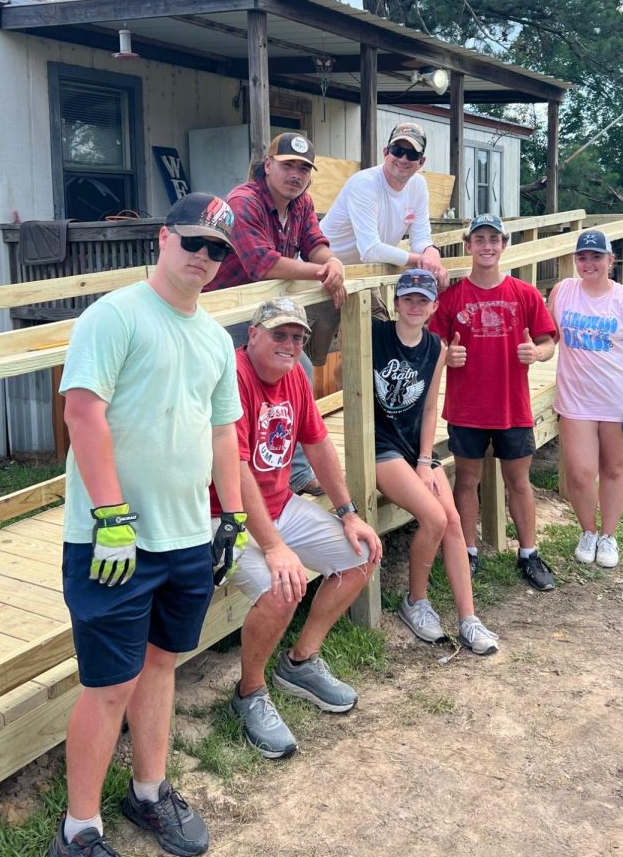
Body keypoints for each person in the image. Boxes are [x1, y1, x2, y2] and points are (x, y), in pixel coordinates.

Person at [49, 192, 246, 857]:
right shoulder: (117, 315)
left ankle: (148, 791)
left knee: (162, 663)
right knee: (108, 684)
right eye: (193, 240)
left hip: (187, 535)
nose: (203, 256)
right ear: (163, 239)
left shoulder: (216, 339)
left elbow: (224, 431)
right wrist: (109, 516)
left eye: (217, 249)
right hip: (112, 542)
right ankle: (78, 832)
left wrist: (229, 518)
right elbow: (82, 413)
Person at [215, 297, 383, 760]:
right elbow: (237, 467)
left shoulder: (294, 375)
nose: (289, 345)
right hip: (224, 515)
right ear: (252, 334)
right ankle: (250, 693)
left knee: (364, 552)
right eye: (279, 334)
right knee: (282, 587)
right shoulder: (234, 374)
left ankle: (300, 661)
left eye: (297, 337)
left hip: (279, 502)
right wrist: (273, 546)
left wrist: (349, 511)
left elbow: (319, 443)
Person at [206, 131, 345, 495]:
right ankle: (224, 480)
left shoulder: (302, 203)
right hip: (226, 313)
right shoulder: (243, 200)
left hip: (266, 312)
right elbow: (261, 264)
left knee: (294, 373)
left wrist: (332, 263)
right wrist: (321, 272)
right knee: (233, 394)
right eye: (287, 166)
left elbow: (315, 244)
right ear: (268, 166)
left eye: (303, 168)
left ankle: (293, 473)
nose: (295, 175)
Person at [372, 269, 499, 655]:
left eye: (422, 300)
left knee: (455, 522)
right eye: (407, 298)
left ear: (434, 307)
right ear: (396, 303)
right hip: (381, 447)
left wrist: (426, 461)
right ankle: (416, 600)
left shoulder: (436, 348)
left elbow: (429, 408)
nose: (414, 306)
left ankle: (468, 618)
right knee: (435, 518)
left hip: (415, 450)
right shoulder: (375, 336)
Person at [429, 214, 558, 590]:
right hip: (466, 406)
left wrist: (537, 352)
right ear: (468, 246)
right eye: (479, 239)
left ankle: (529, 553)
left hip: (511, 406)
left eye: (494, 240)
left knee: (518, 481)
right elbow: (433, 343)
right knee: (467, 479)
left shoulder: (525, 293)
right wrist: (445, 356)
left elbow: (550, 341)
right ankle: (467, 551)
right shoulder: (452, 297)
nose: (487, 246)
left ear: (504, 246)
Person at [547, 229, 623, 568]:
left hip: (616, 400)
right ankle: (588, 530)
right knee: (579, 472)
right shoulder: (563, 292)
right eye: (582, 257)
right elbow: (547, 335)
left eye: (596, 257)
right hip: (576, 399)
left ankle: (608, 535)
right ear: (575, 260)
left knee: (613, 468)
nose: (589, 263)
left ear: (611, 260)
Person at [320, 121, 448, 289]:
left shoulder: (418, 185)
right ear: (385, 152)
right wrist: (421, 260)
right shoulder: (364, 183)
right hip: (321, 275)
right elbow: (370, 250)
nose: (403, 159)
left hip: (362, 276)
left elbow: (420, 238)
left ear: (421, 161)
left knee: (383, 316)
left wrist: (431, 251)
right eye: (397, 151)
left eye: (411, 154)